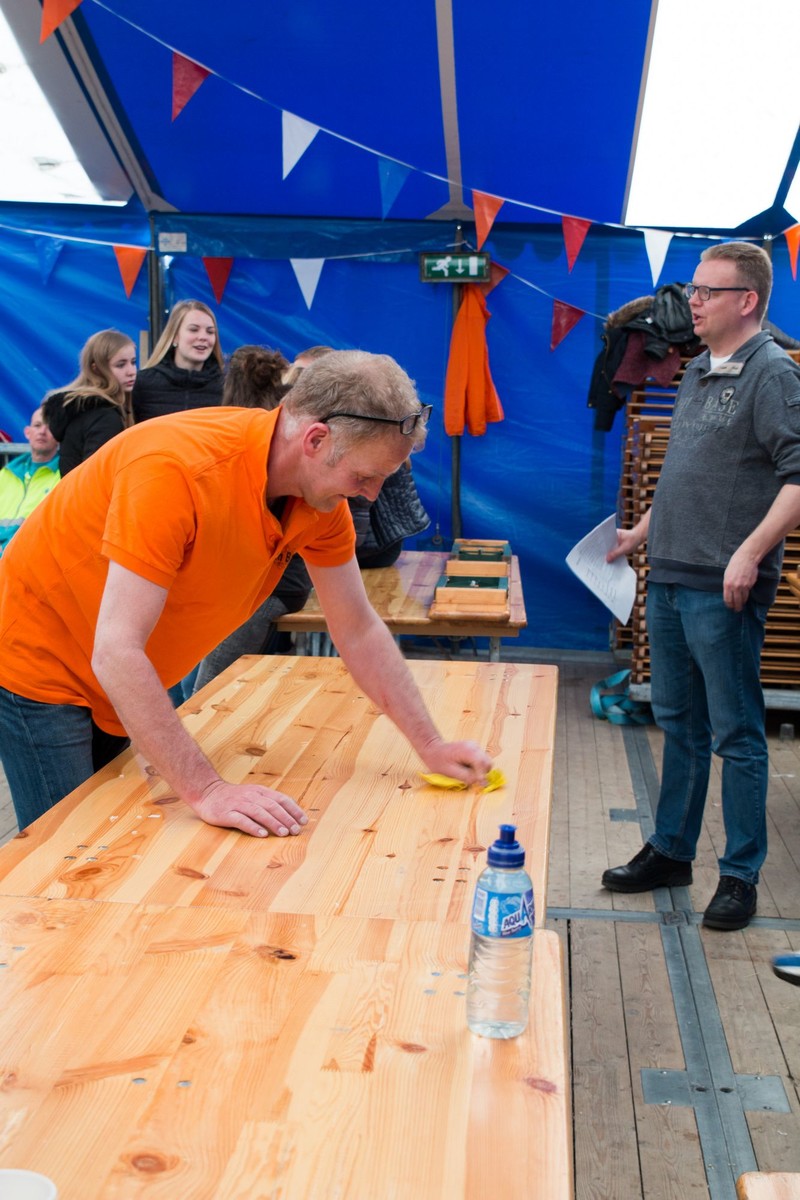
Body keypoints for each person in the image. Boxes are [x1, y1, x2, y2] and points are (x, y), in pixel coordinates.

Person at [0, 350, 490, 838]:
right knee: (63, 851)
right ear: (315, 439)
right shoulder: (177, 469)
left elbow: (358, 628)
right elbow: (116, 650)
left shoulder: (319, 502)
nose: (372, 495)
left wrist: (430, 745)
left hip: (111, 671)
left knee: (107, 839)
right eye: (364, 477)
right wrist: (207, 789)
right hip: (40, 661)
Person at [601, 242, 800, 931]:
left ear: (747, 300)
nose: (693, 302)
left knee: (737, 733)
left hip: (724, 586)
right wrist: (641, 532)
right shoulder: (695, 371)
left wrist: (750, 552)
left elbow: (798, 477)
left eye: (708, 292)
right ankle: (670, 851)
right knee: (679, 723)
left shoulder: (773, 374)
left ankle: (740, 874)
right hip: (670, 575)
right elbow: (685, 469)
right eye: (693, 290)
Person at [191, 344, 312, 694]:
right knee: (193, 682)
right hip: (247, 583)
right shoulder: (263, 441)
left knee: (206, 687)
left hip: (269, 585)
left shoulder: (260, 447)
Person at [42, 329, 136, 474]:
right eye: (120, 365)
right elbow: (97, 477)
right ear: (96, 369)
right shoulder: (104, 416)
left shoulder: (79, 410)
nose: (131, 371)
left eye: (133, 362)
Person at [132, 300, 223, 422]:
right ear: (175, 336)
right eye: (194, 329)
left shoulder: (226, 387)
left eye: (210, 332)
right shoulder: (142, 383)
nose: (203, 337)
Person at [0, 408, 60, 555]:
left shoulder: (63, 474)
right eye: (37, 425)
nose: (42, 431)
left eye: (49, 427)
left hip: (30, 556)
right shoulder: (6, 473)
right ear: (27, 432)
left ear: (58, 434)